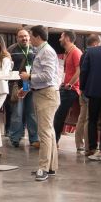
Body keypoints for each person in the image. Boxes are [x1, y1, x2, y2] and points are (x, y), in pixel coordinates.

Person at [21, 25, 61, 182]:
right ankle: (51, 166)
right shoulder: (42, 51)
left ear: (37, 36)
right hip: (42, 94)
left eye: (31, 36)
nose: (29, 39)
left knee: (44, 133)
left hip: (46, 95)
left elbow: (47, 75)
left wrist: (29, 77)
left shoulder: (47, 51)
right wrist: (27, 88)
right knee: (49, 132)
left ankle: (43, 168)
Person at [8, 28, 39, 148]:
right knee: (17, 113)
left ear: (29, 37)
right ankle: (15, 138)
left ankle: (34, 139)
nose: (24, 38)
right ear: (17, 38)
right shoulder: (11, 50)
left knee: (32, 113)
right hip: (17, 86)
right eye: (21, 36)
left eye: (26, 36)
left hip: (32, 85)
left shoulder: (35, 49)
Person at [52, 30, 82, 145]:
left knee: (59, 115)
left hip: (71, 90)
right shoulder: (68, 52)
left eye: (61, 37)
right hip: (66, 88)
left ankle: (54, 141)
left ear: (67, 38)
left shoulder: (75, 52)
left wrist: (70, 84)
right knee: (58, 115)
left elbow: (79, 70)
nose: (59, 39)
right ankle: (54, 140)